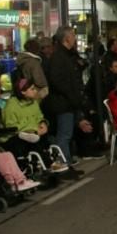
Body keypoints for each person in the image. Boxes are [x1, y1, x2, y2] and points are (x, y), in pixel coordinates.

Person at [43, 27, 88, 175]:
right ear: (66, 38)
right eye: (73, 35)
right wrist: (70, 94)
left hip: (68, 101)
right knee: (64, 134)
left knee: (66, 134)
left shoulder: (67, 55)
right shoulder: (59, 57)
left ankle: (66, 163)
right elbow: (57, 80)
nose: (75, 38)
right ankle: (64, 165)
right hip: (63, 102)